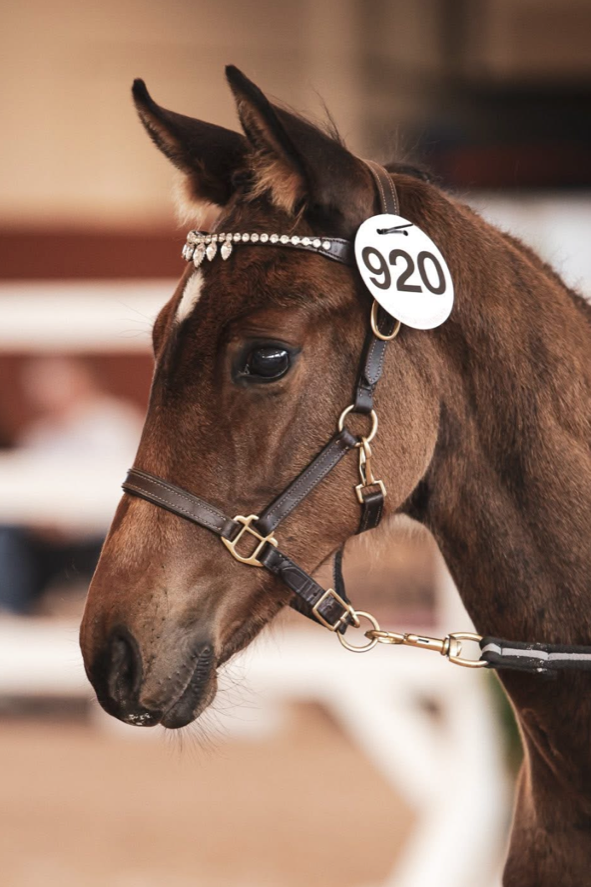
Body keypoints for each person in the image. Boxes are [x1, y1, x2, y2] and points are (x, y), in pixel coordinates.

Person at [0, 356, 143, 615]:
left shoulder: (114, 425)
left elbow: (124, 492)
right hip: (45, 536)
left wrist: (67, 522)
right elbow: (29, 492)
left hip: (99, 535)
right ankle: (9, 613)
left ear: (80, 378)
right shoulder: (39, 435)